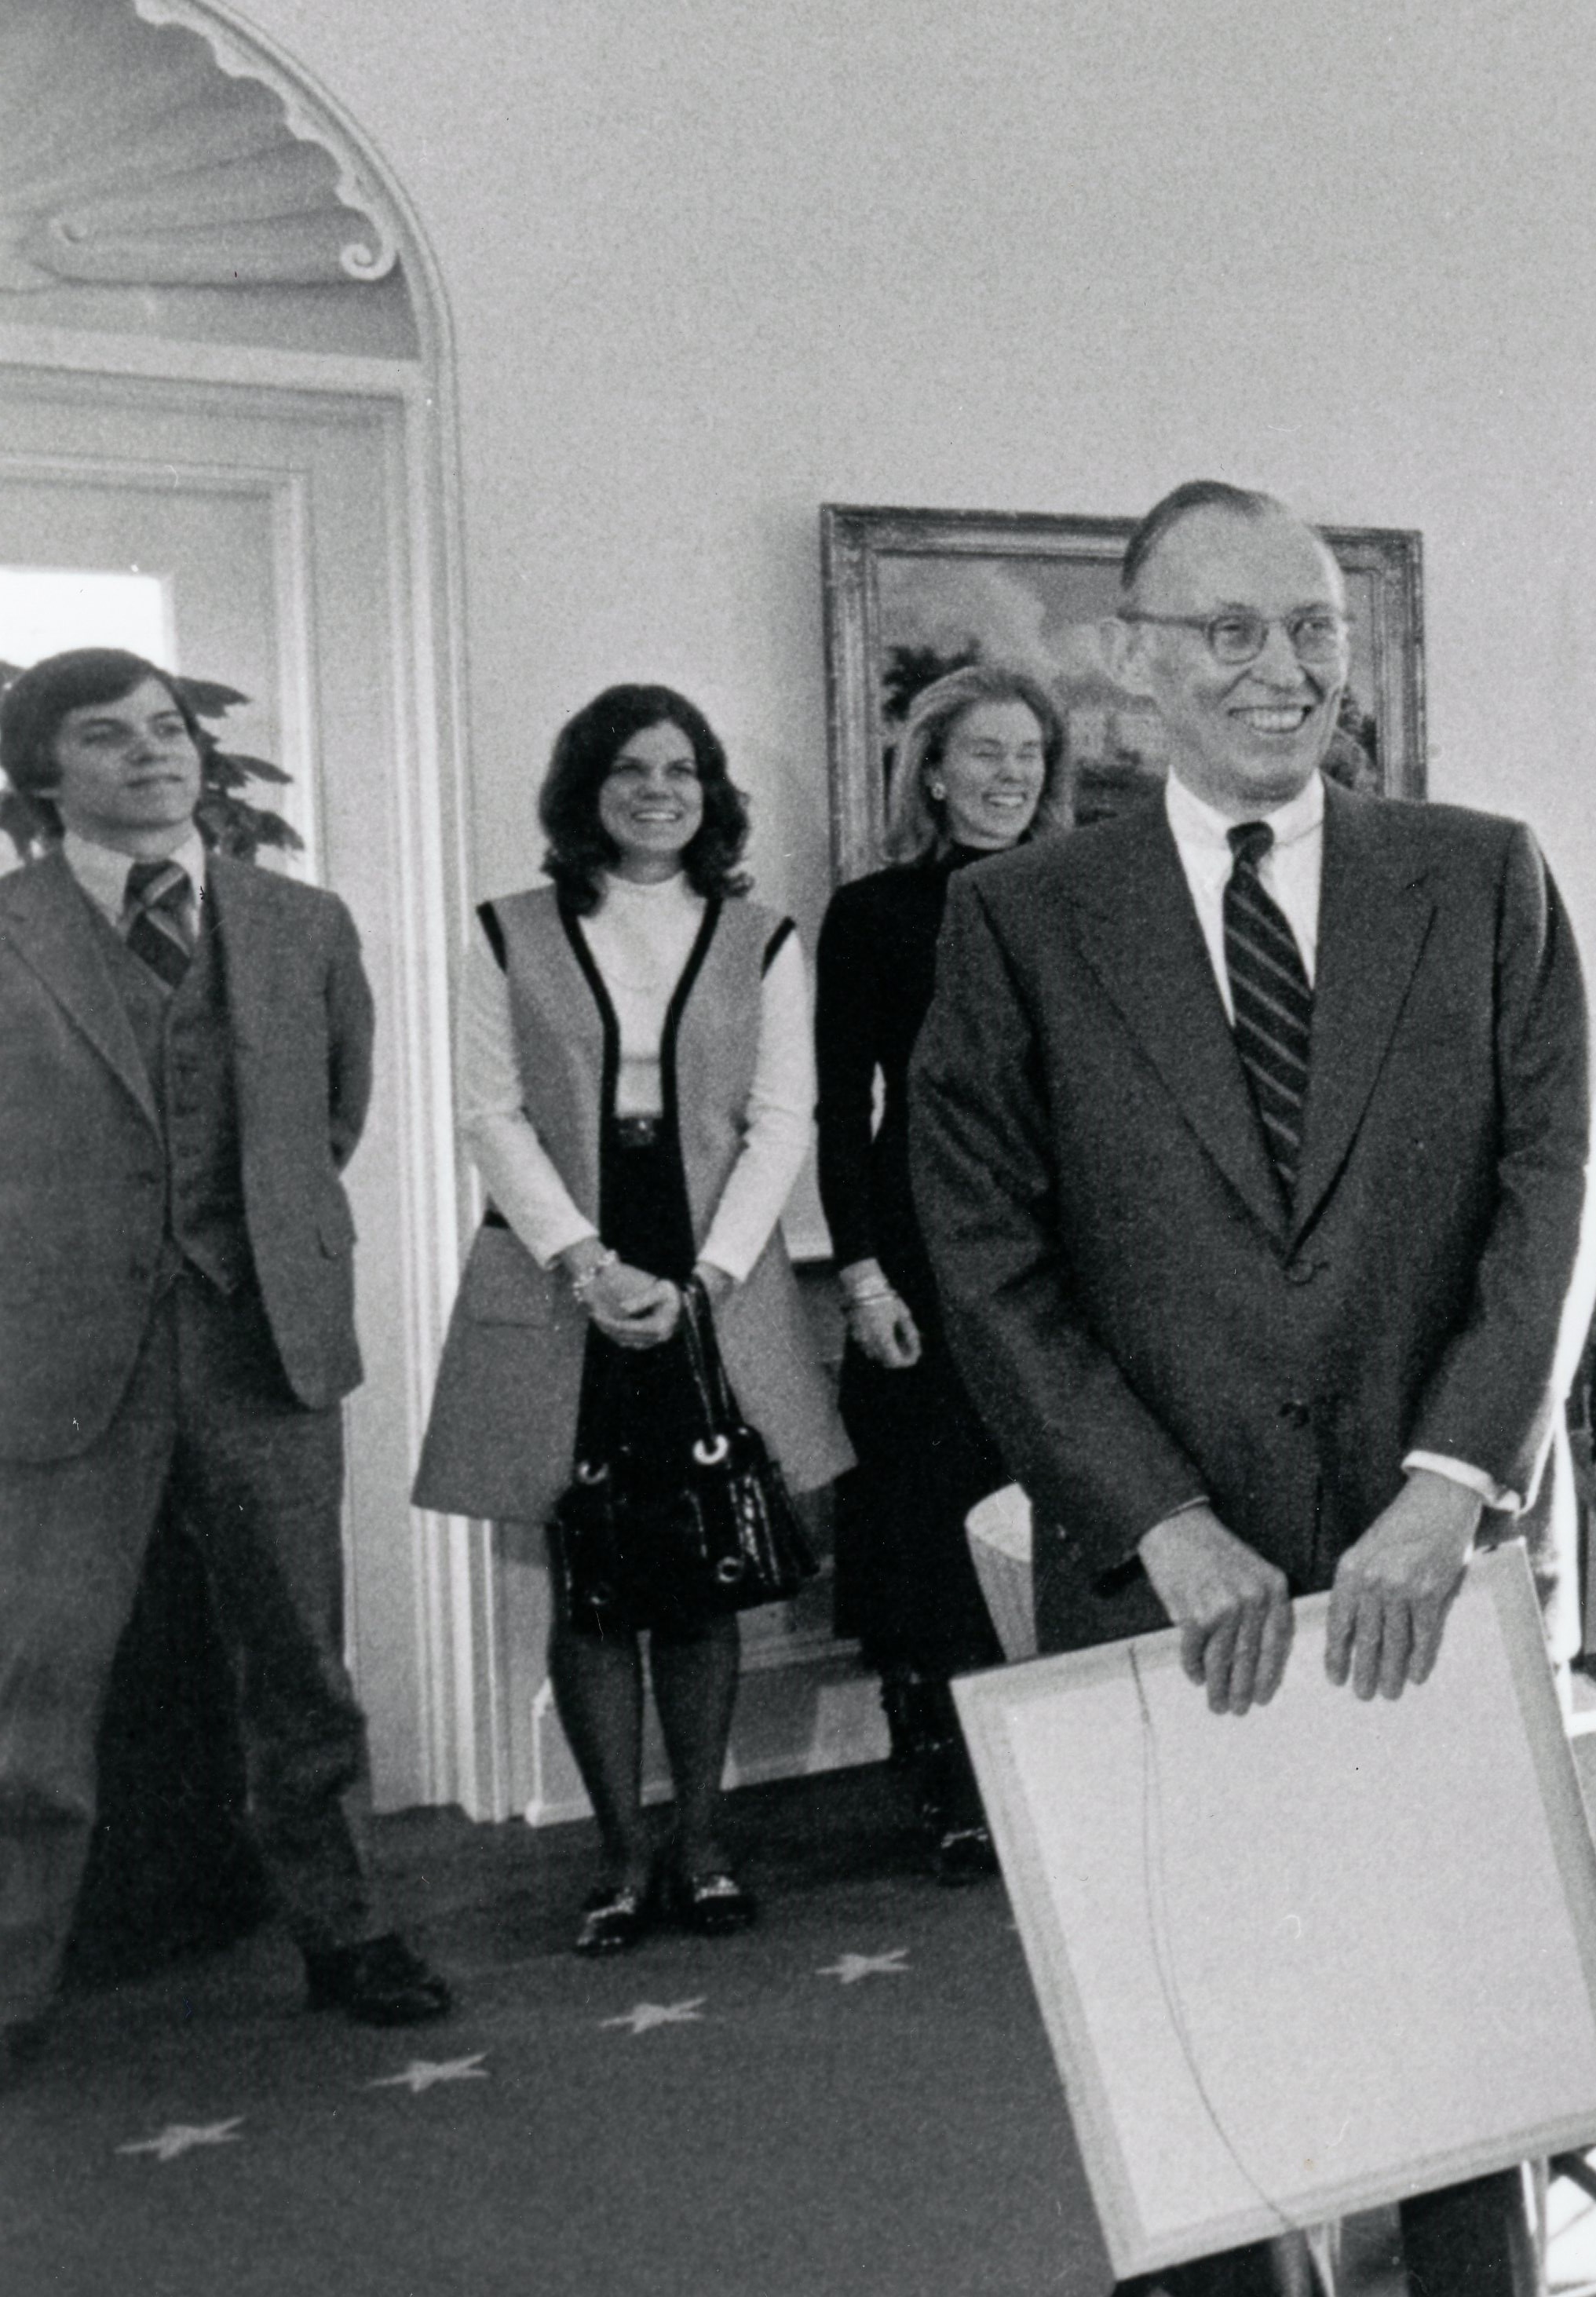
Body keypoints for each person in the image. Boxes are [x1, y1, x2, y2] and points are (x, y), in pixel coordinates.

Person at [906, 480, 1596, 2297]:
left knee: (1463, 2035)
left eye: (1308, 625)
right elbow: (984, 1250)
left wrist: (1451, 1478)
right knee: (1223, 2061)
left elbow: (1546, 1191)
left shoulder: (1481, 882)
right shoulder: (1025, 925)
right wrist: (1160, 1516)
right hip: (1173, 1588)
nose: (1279, 668)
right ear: (1130, 659)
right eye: (1222, 631)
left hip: (1433, 1557)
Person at [0, 649, 451, 2077]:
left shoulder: (298, 922)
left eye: (168, 728)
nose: (155, 753)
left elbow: (333, 1115)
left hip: (263, 1342)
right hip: (65, 1360)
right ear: (41, 775)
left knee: (301, 1662)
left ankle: (348, 1931)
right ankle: (8, 1982)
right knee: (36, 1683)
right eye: (107, 736)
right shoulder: (5, 929)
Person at [413, 685, 850, 1957]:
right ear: (584, 789)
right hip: (572, 1275)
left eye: (681, 770)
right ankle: (617, 1857)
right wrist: (588, 1265)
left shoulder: (762, 936)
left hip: (710, 1271)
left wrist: (705, 1279)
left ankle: (702, 1846)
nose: (657, 790)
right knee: (590, 1571)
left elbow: (783, 1121)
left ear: (710, 792)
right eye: (629, 769)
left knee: (709, 1569)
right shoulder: (509, 930)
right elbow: (490, 1115)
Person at [814, 663, 1069, 1881]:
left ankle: (1055, 1775)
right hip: (919, 1247)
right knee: (936, 1515)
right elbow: (832, 1108)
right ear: (931, 769)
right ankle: (960, 1782)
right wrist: (862, 1280)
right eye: (984, 752)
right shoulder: (872, 914)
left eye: (1028, 753)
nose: (1009, 774)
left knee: (1058, 1505)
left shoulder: (1084, 898)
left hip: (1060, 1244)